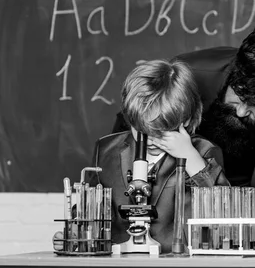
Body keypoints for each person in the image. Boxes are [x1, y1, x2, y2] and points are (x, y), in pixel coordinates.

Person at [113, 21, 255, 215]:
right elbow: (131, 125)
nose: (241, 112)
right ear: (235, 71)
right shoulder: (188, 73)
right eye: (239, 94)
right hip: (181, 206)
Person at [55, 59, 229, 253]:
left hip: (176, 262)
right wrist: (74, 233)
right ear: (130, 119)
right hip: (119, 260)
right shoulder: (106, 150)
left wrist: (190, 157)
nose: (152, 140)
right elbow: (90, 207)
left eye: (163, 132)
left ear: (186, 118)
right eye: (144, 132)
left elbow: (222, 209)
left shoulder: (204, 151)